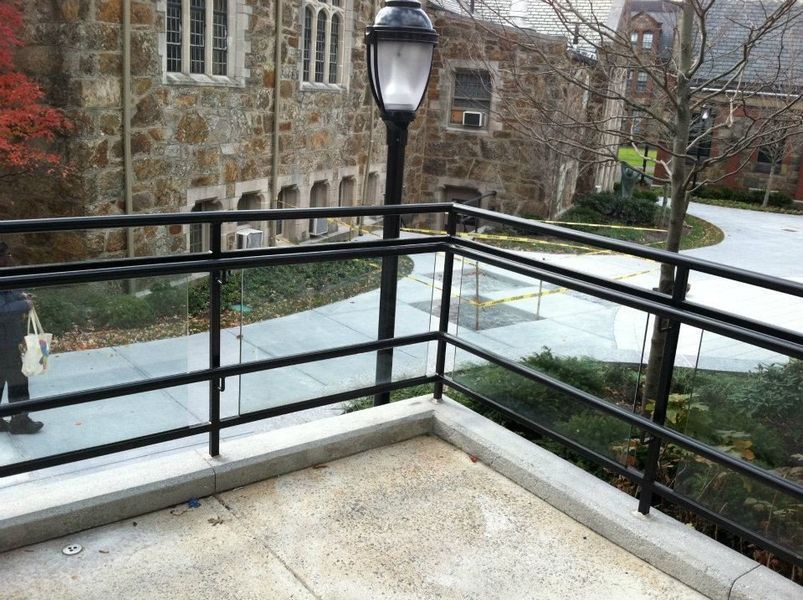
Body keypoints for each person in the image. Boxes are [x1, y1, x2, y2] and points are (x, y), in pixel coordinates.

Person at [0, 242, 43, 434]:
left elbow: (8, 296)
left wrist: (22, 296)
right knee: (18, 378)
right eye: (7, 255)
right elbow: (1, 309)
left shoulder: (5, 275)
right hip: (5, 340)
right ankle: (20, 420)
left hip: (7, 337)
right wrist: (24, 304)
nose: (10, 259)